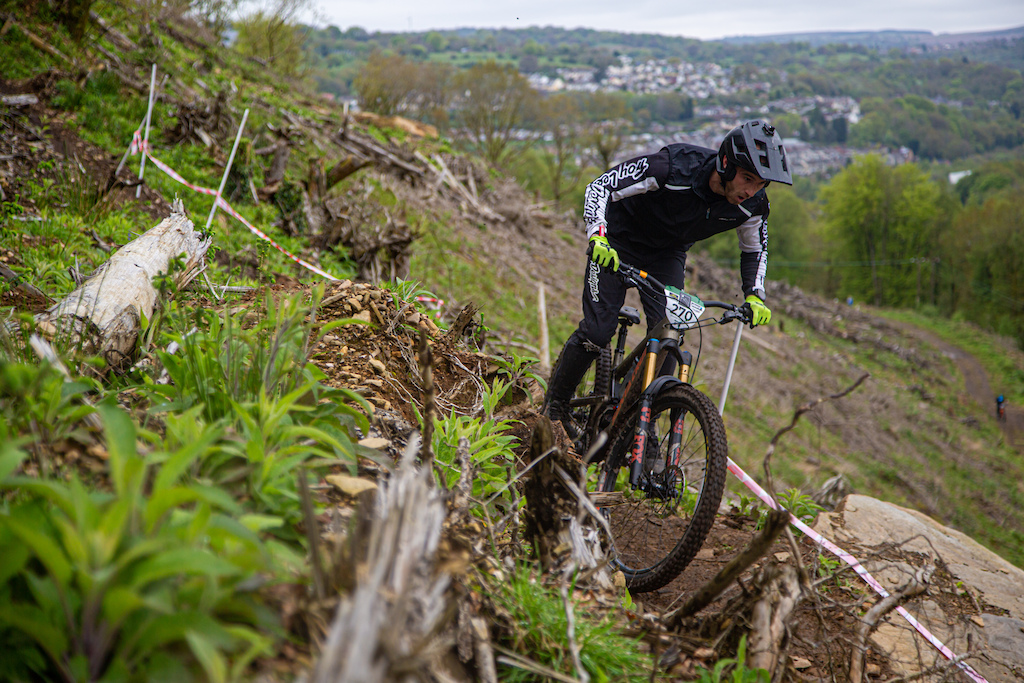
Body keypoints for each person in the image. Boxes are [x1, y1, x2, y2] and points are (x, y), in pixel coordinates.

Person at [543, 120, 793, 436]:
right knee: (597, 330)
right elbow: (601, 186)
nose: (751, 191)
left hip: (666, 256)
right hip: (618, 241)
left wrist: (755, 295)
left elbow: (755, 249)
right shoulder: (673, 168)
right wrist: (598, 236)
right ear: (726, 164)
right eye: (747, 179)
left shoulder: (753, 205)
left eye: (760, 184)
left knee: (668, 337)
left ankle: (640, 429)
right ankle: (554, 408)